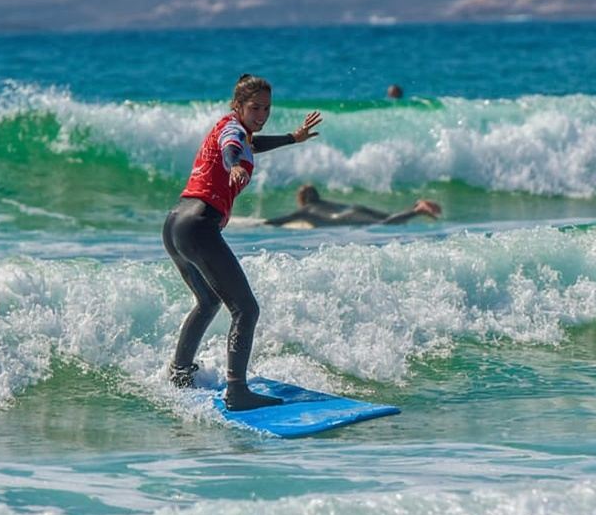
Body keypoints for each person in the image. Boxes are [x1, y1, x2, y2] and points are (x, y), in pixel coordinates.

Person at [163, 74, 322, 410]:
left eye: (266, 108)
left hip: (175, 224)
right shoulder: (232, 132)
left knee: (208, 301)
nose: (262, 114)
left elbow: (251, 143)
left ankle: (179, 374)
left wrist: (293, 138)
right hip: (198, 226)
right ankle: (237, 391)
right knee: (246, 309)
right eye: (254, 108)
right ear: (237, 107)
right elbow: (233, 146)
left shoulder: (236, 128)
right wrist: (233, 165)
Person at [265, 184, 441, 227]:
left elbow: (281, 221)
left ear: (302, 199)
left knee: (386, 223)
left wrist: (263, 223)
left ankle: (418, 211)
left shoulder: (306, 210)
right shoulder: (322, 203)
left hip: (347, 218)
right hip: (355, 208)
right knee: (388, 216)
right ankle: (415, 205)